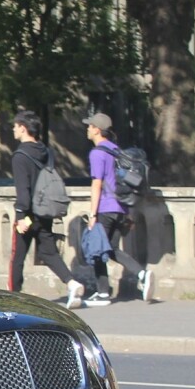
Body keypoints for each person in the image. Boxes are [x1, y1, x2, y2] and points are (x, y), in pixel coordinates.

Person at [8, 110, 83, 309]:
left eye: (15, 126)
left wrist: (22, 216)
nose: (13, 129)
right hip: (45, 211)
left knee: (17, 257)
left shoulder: (20, 156)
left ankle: (13, 299)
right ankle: (72, 283)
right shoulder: (46, 151)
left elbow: (23, 189)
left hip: (29, 215)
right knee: (49, 253)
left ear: (23, 128)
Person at [84, 112, 153, 305]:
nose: (87, 129)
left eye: (90, 126)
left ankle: (103, 293)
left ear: (97, 130)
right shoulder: (116, 150)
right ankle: (142, 274)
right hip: (121, 207)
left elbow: (97, 183)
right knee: (112, 248)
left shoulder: (97, 153)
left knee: (97, 247)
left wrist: (92, 213)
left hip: (105, 206)